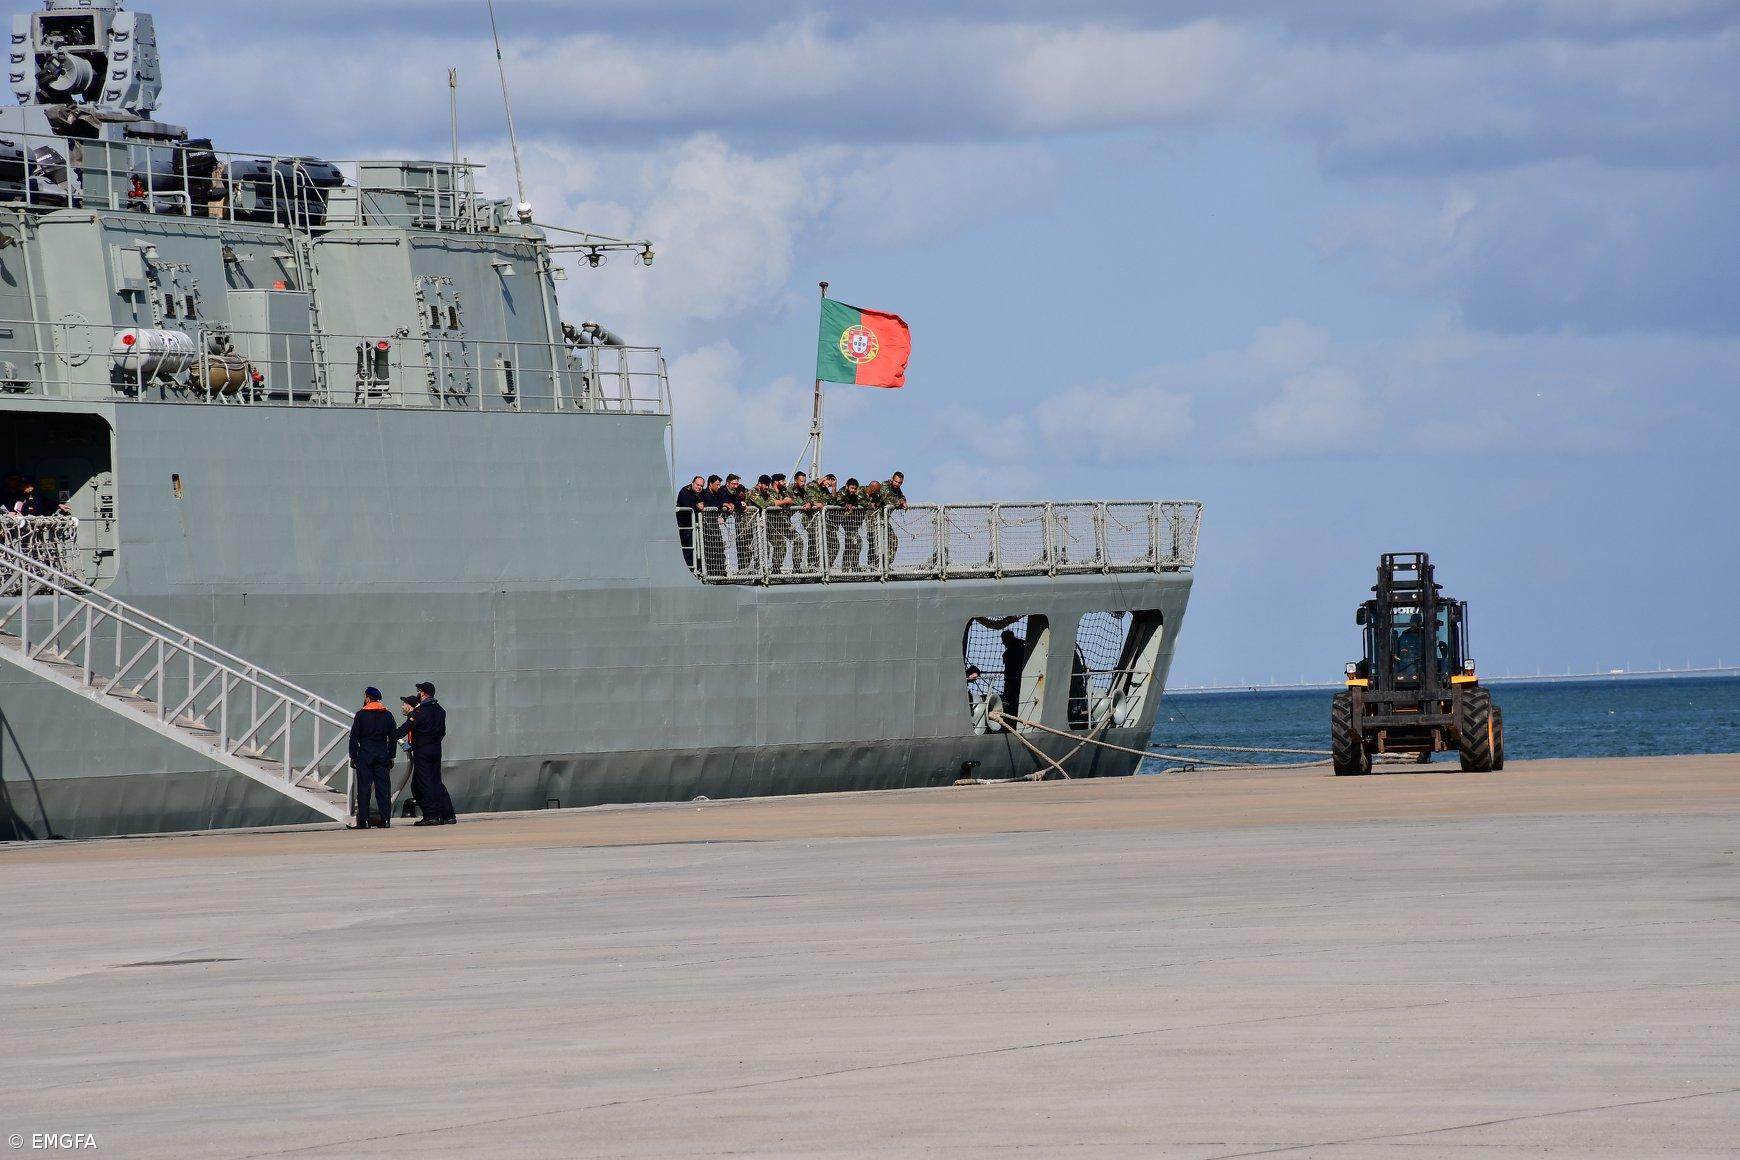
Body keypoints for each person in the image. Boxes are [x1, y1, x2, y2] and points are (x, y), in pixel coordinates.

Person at [395, 681, 456, 826]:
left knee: (425, 783)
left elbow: (404, 730)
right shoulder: (440, 710)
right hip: (436, 749)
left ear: (422, 693)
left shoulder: (420, 712)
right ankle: (448, 815)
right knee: (436, 782)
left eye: (419, 691)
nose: (418, 693)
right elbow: (443, 732)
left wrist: (390, 734)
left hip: (422, 751)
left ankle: (432, 816)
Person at [348, 687, 397, 829]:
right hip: (382, 755)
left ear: (368, 698)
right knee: (383, 789)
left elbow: (354, 738)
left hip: (365, 755)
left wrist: (353, 756)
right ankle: (385, 820)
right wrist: (391, 755)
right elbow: (393, 737)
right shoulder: (387, 715)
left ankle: (364, 821)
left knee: (364, 789)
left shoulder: (361, 715)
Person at [700, 474, 732, 576]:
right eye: (717, 485)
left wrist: (727, 504)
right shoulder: (705, 493)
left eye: (719, 485)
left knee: (718, 546)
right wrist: (723, 504)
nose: (719, 487)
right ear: (710, 484)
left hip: (714, 525)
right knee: (709, 549)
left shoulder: (717, 493)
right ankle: (711, 572)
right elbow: (710, 503)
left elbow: (723, 500)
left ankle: (721, 570)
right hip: (706, 526)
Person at [674, 474, 705, 569]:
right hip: (684, 525)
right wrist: (697, 505)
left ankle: (693, 568)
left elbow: (709, 500)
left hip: (693, 525)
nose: (699, 487)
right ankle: (688, 569)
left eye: (701, 486)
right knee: (686, 548)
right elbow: (687, 503)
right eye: (697, 485)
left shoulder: (702, 493)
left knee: (693, 548)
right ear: (692, 483)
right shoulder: (685, 491)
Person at [727, 473, 756, 571]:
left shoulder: (748, 495)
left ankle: (748, 568)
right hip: (740, 528)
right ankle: (742, 568)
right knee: (741, 548)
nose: (740, 496)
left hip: (750, 527)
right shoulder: (736, 497)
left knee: (749, 548)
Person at [837, 478, 865, 571]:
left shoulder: (854, 495)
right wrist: (845, 505)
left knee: (854, 543)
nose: (853, 490)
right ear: (847, 486)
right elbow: (838, 501)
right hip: (843, 520)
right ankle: (850, 567)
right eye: (851, 488)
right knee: (853, 543)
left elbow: (858, 503)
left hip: (851, 523)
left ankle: (852, 566)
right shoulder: (842, 493)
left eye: (855, 489)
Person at [883, 471, 908, 566]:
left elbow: (902, 497)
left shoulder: (897, 489)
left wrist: (903, 501)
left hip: (884, 520)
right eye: (896, 481)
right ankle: (873, 564)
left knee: (893, 540)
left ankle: (886, 564)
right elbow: (886, 498)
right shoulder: (885, 486)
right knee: (875, 542)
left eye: (900, 483)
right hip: (874, 517)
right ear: (892, 479)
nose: (897, 484)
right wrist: (899, 503)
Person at [1001, 629, 1027, 714]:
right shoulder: (1022, 647)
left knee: (1010, 704)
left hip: (1013, 681)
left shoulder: (1008, 653)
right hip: (1018, 679)